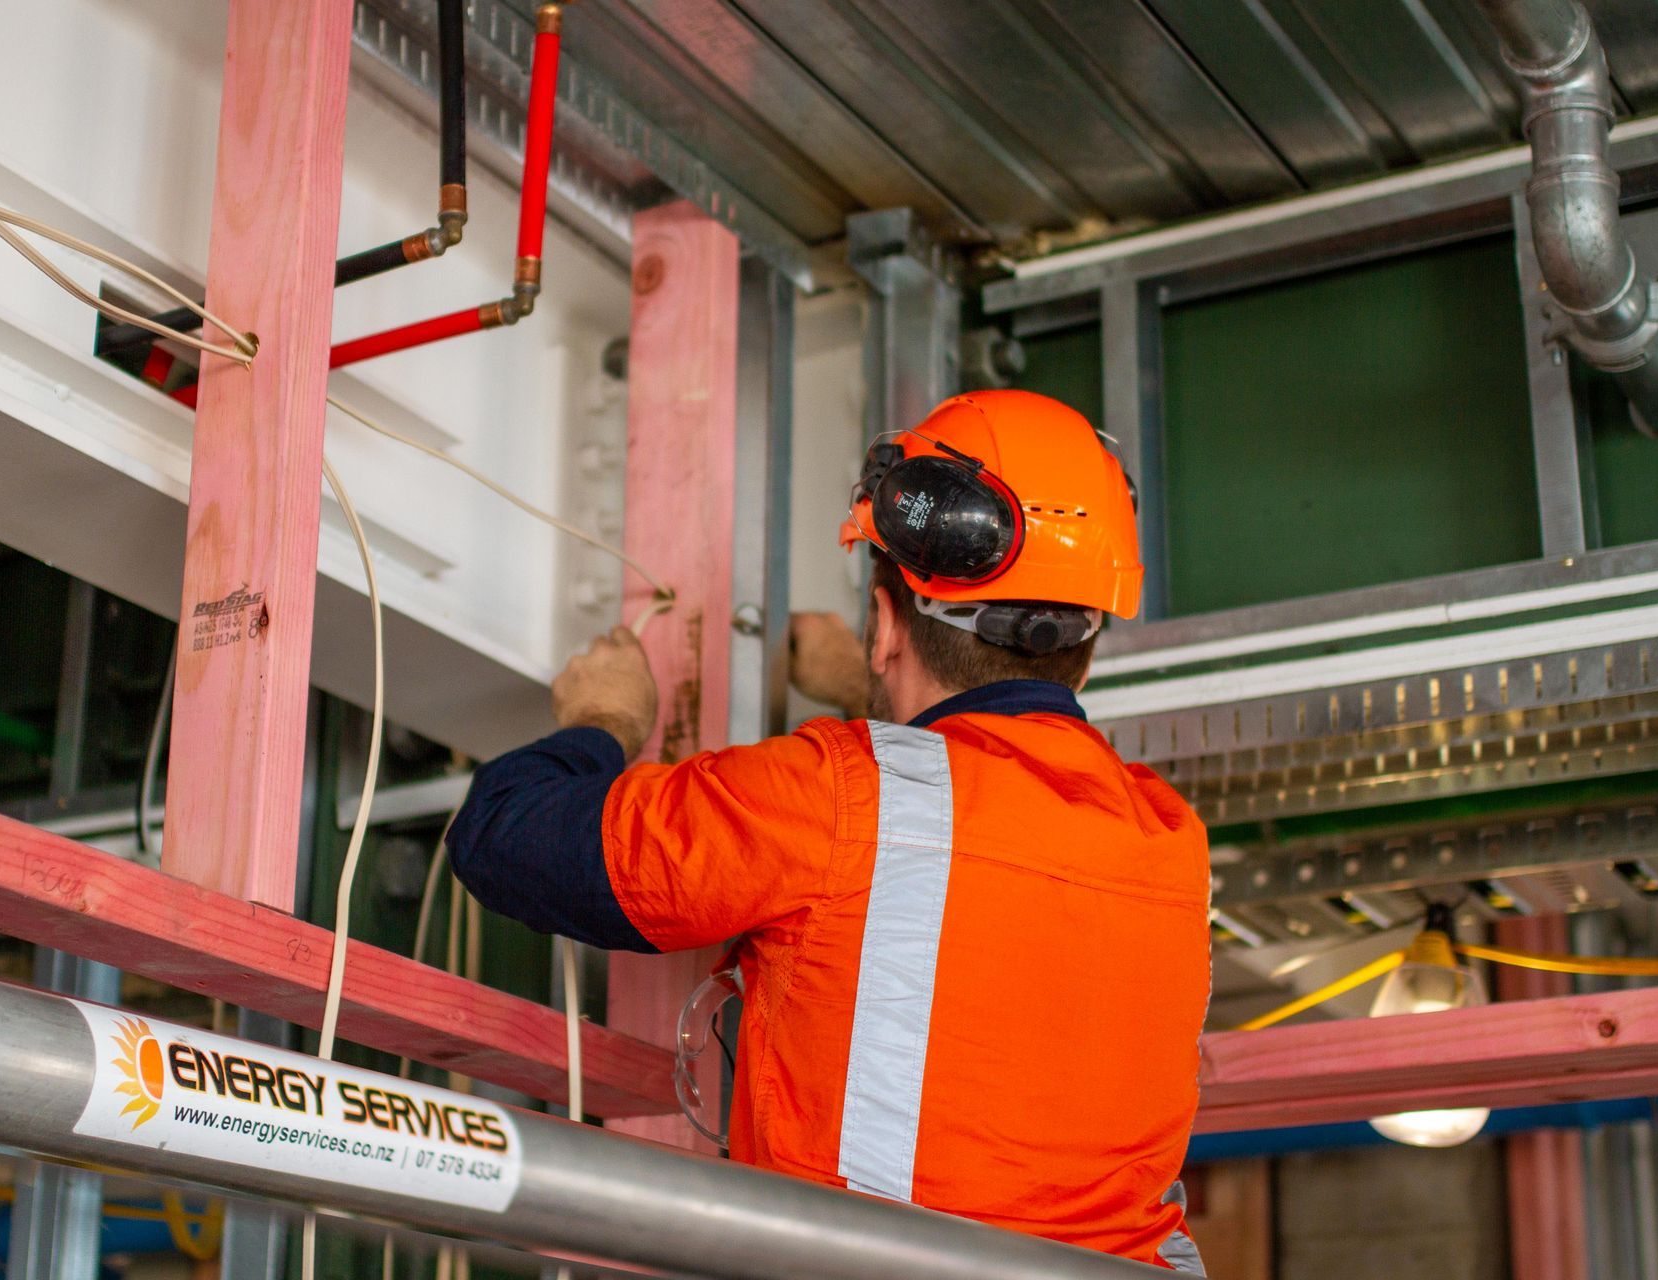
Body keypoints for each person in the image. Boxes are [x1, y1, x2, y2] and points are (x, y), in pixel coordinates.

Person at [447, 390, 1210, 1274]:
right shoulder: (1164, 837)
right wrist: (878, 690)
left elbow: (504, 834)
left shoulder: (837, 798)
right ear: (1087, 634)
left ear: (887, 625)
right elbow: (966, 837)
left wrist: (604, 721)